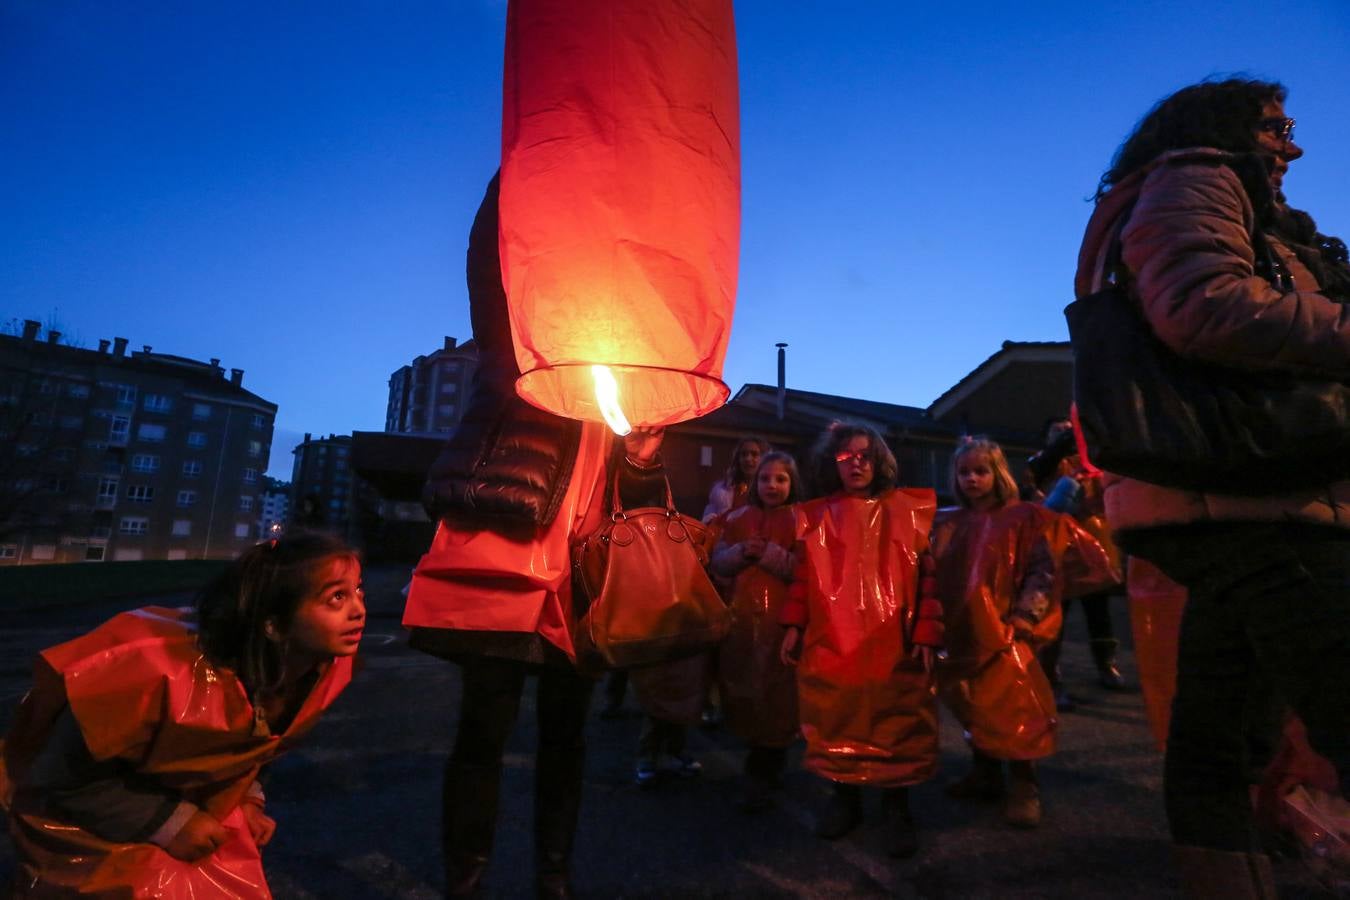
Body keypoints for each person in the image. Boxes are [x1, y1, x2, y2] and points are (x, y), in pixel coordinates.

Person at [1075, 77, 1350, 895]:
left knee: (1221, 734)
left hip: (1228, 500)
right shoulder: (1195, 177)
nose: (1290, 145)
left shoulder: (1192, 194)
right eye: (1275, 126)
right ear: (1224, 126)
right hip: (1258, 495)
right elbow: (1202, 304)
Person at [404, 174, 668, 899]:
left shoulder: (622, 388)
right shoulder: (513, 357)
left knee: (565, 740)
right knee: (482, 733)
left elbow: (641, 506)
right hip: (507, 569)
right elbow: (492, 267)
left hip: (580, 588)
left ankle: (553, 876)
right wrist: (529, 169)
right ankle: (468, 877)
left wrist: (643, 458)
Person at [1, 533, 363, 898]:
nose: (359, 609)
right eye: (336, 597)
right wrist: (168, 823)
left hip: (170, 805)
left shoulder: (317, 672)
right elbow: (59, 775)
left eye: (358, 591)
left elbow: (258, 745)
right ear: (274, 624)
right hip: (82, 822)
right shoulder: (154, 675)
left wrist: (247, 797)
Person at [778, 422, 942, 858]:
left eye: (865, 455)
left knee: (897, 717)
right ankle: (844, 799)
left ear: (880, 460)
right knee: (836, 716)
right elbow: (802, 577)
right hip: (832, 642)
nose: (856, 463)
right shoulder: (815, 517)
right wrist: (794, 625)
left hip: (896, 643)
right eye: (846, 455)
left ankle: (896, 808)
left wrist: (926, 633)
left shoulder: (908, 511)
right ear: (832, 461)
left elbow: (928, 579)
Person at [931, 438, 1112, 828]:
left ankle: (1023, 784)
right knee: (972, 701)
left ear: (998, 474)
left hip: (1009, 630)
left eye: (981, 471)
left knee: (1016, 705)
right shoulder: (950, 523)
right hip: (965, 630)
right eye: (965, 472)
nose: (972, 479)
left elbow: (1042, 571)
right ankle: (985, 773)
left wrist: (1026, 617)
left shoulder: (1025, 519)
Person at [709, 450, 802, 813]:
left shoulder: (801, 521)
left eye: (781, 479)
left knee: (778, 694)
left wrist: (768, 555)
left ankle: (764, 768)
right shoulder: (736, 518)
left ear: (793, 483)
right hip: (743, 622)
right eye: (766, 478)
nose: (772, 485)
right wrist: (739, 553)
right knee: (746, 690)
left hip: (782, 624)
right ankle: (761, 760)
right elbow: (718, 561)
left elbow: (805, 571)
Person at [1024, 415, 1126, 705]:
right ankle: (1050, 673)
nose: (1066, 437)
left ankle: (1106, 663)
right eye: (1058, 432)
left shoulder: (1093, 464)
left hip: (1094, 544)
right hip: (1057, 548)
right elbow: (1033, 488)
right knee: (1056, 612)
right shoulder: (1039, 464)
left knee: (1099, 611)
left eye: (1070, 432)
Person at [702, 436, 769, 522]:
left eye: (754, 454)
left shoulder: (770, 491)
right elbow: (707, 521)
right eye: (744, 454)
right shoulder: (721, 491)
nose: (748, 459)